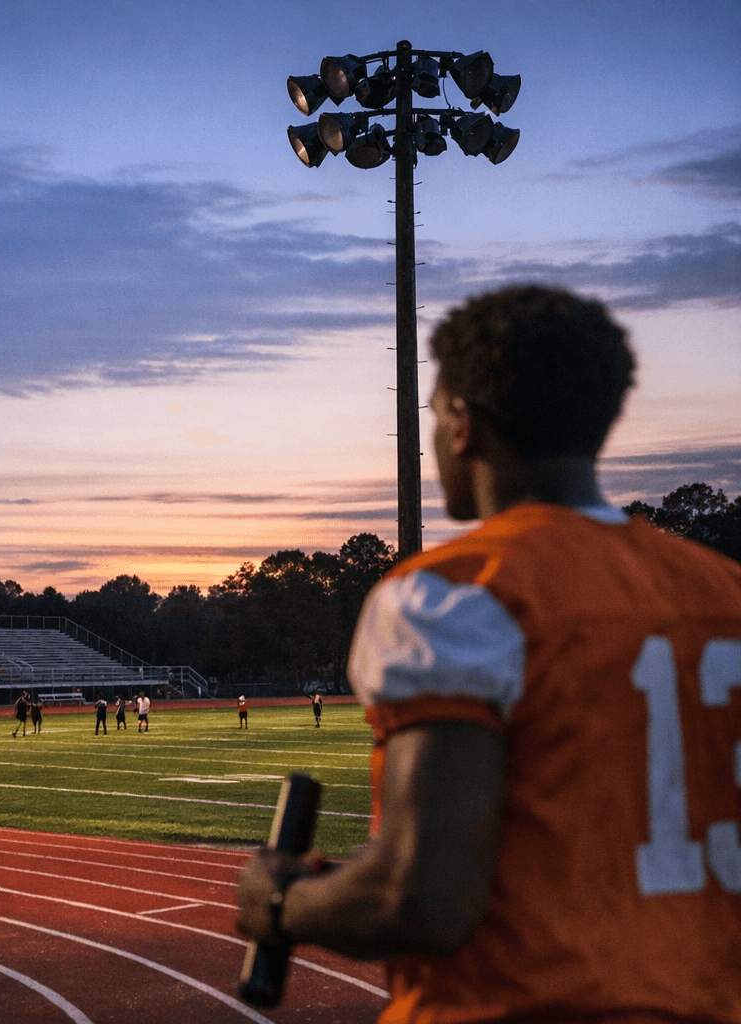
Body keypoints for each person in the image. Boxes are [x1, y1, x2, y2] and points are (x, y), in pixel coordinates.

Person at [236, 285, 741, 1023]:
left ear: (462, 423)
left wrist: (283, 902)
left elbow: (422, 898)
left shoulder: (457, 594)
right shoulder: (724, 591)